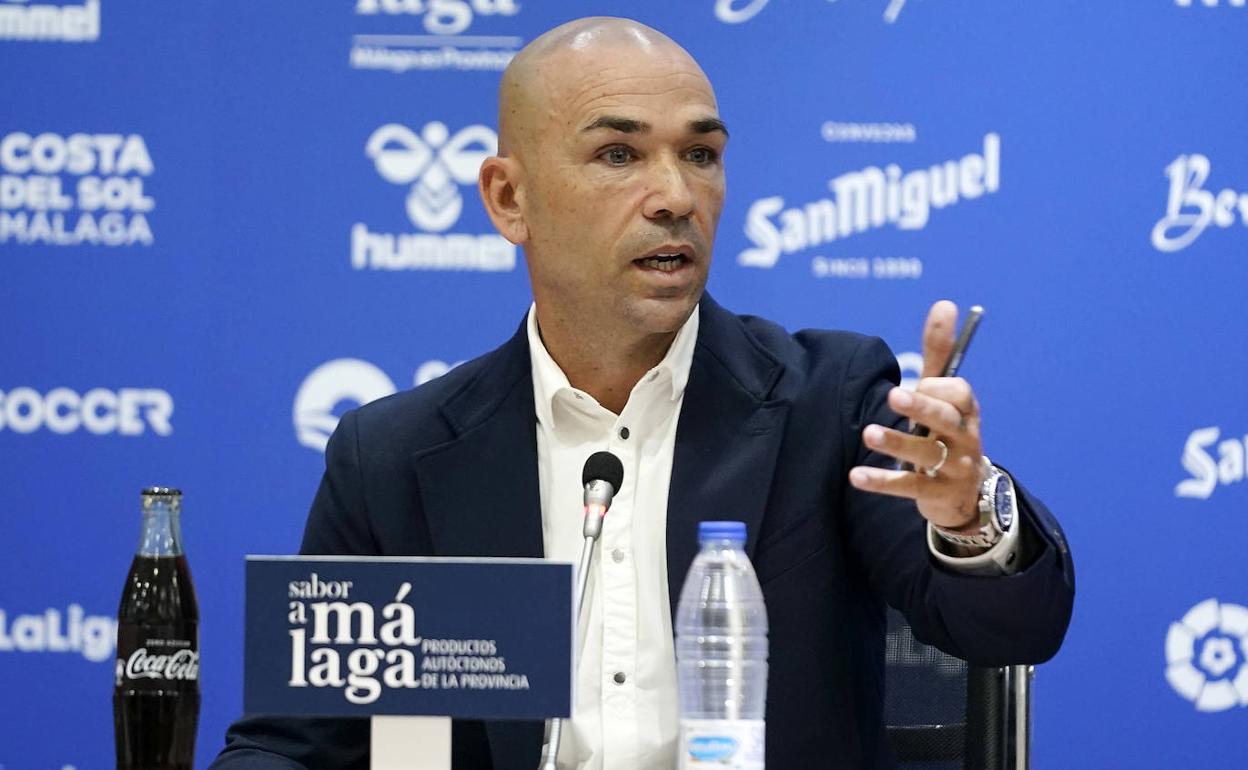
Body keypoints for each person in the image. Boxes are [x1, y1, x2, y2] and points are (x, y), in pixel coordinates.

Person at [211, 16, 1074, 770]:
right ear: (510, 199)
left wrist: (968, 522)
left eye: (700, 155)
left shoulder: (830, 402)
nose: (675, 197)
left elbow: (1009, 633)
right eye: (619, 154)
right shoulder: (395, 458)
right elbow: (298, 743)